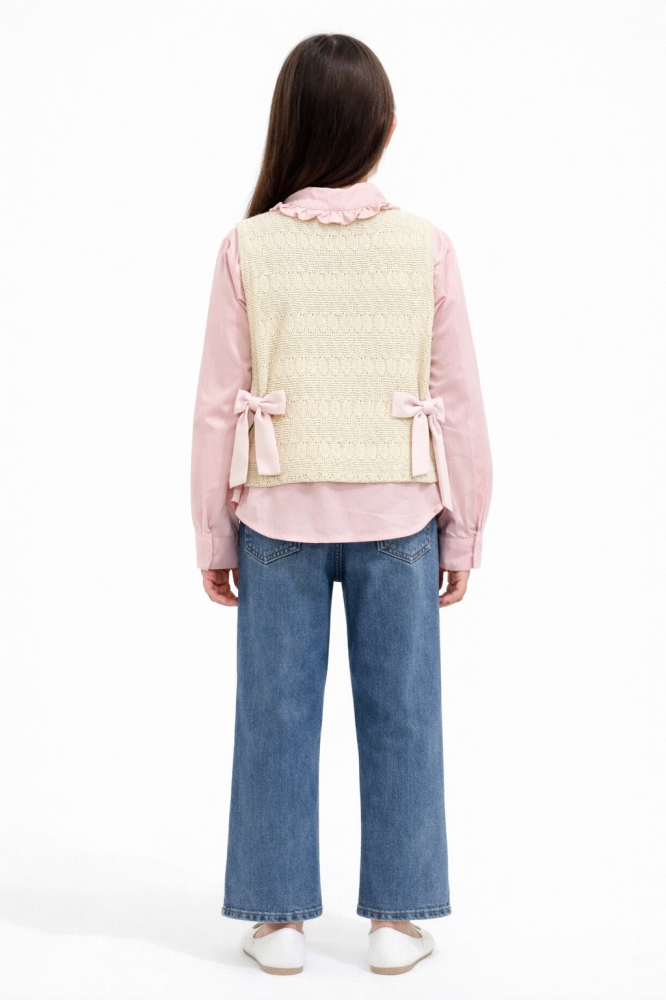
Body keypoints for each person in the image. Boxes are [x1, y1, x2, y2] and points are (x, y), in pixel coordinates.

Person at [191, 32, 492, 977]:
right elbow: (457, 397)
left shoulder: (248, 246)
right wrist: (464, 529)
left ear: (288, 124)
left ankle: (277, 920)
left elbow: (217, 402)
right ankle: (398, 920)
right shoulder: (425, 246)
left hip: (274, 518)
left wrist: (213, 531)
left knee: (273, 716)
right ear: (384, 127)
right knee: (403, 714)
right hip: (399, 516)